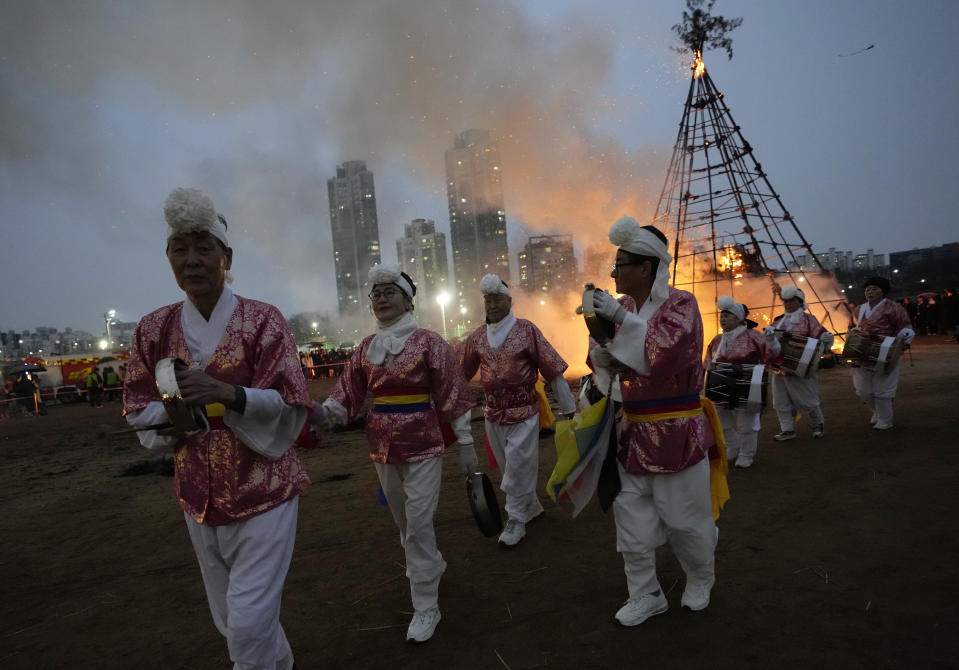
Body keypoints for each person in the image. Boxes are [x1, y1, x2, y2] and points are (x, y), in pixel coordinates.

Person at [123, 187, 314, 670]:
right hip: (196, 493)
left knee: (247, 624)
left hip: (264, 488)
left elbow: (292, 402)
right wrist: (173, 419)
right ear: (167, 257)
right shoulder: (152, 329)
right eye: (178, 249)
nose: (191, 260)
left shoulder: (263, 320)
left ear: (226, 257)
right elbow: (137, 405)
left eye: (203, 248)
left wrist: (227, 394)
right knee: (235, 621)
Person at [321, 264, 475, 644]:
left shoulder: (429, 342)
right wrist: (319, 416)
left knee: (420, 523)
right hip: (381, 449)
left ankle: (426, 606)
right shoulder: (365, 349)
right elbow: (346, 396)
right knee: (406, 525)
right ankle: (429, 564)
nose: (382, 298)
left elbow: (452, 392)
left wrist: (467, 441)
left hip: (423, 444)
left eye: (390, 291)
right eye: (376, 293)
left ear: (408, 299)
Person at [588, 216, 718, 626]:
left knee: (685, 519)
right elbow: (602, 356)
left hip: (677, 428)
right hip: (632, 430)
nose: (614, 272)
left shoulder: (683, 304)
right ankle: (645, 593)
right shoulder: (622, 306)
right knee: (631, 518)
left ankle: (701, 576)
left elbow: (662, 354)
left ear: (647, 266)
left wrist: (622, 325)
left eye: (621, 263)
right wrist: (602, 356)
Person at [461, 274, 577, 547]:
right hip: (493, 414)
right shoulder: (477, 337)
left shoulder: (526, 330)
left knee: (517, 466)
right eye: (488, 300)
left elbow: (551, 368)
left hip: (525, 412)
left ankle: (515, 521)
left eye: (497, 299)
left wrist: (568, 406)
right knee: (508, 467)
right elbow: (460, 374)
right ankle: (532, 507)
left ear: (510, 301)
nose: (492, 305)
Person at [704, 296, 768, 468]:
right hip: (720, 384)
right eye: (721, 316)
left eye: (727, 315)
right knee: (722, 421)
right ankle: (734, 445)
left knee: (746, 423)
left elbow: (769, 355)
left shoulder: (754, 336)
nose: (723, 319)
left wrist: (773, 343)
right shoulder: (717, 339)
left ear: (739, 318)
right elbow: (708, 362)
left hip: (747, 384)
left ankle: (747, 454)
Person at [766, 286, 834, 440]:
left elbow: (821, 334)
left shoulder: (809, 319)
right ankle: (787, 429)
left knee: (807, 398)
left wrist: (826, 338)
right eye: (786, 301)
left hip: (801, 366)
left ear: (800, 301)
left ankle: (818, 423)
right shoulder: (777, 321)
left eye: (792, 301)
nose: (788, 304)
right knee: (780, 399)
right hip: (780, 367)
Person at [848, 276, 915, 430]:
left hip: (886, 352)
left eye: (874, 289)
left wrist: (903, 340)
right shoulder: (858, 309)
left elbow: (904, 327)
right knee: (862, 390)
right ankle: (877, 411)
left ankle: (885, 419)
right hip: (862, 352)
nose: (870, 292)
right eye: (868, 289)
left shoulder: (894, 308)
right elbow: (850, 327)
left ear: (883, 291)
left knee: (883, 388)